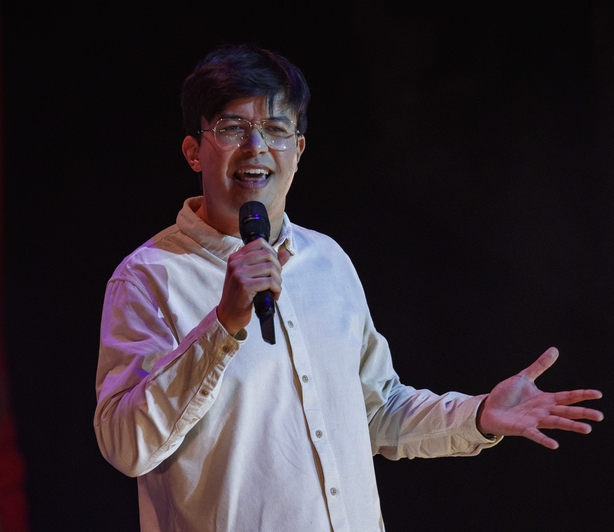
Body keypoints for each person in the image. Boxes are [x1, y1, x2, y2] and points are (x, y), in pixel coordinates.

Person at [94, 44, 603, 532]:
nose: (256, 147)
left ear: (298, 150)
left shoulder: (327, 262)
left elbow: (378, 410)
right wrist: (223, 324)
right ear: (193, 150)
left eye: (275, 128)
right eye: (232, 127)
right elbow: (126, 445)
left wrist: (479, 415)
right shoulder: (149, 277)